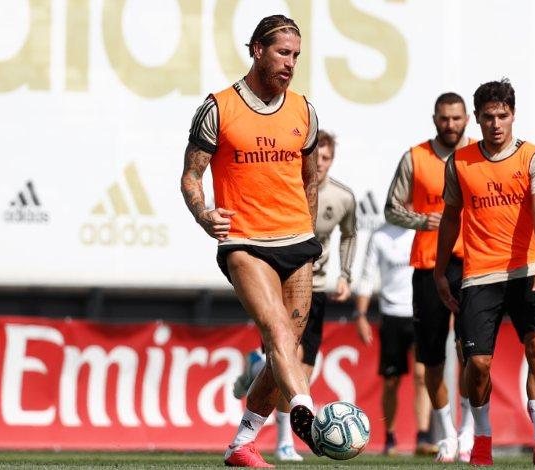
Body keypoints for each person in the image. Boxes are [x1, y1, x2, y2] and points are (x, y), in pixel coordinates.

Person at [180, 14, 326, 467]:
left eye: (297, 55)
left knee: (289, 351)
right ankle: (309, 416)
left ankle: (243, 442)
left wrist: (308, 228)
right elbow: (190, 176)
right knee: (278, 332)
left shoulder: (303, 109)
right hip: (245, 241)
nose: (290, 63)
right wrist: (205, 215)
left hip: (297, 241)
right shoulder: (219, 108)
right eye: (283, 52)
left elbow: (310, 180)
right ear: (257, 50)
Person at [435, 79, 535, 466]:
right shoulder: (459, 162)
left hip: (530, 270)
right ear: (476, 118)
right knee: (477, 365)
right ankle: (482, 436)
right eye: (489, 116)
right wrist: (441, 272)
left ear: (513, 116)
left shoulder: (534, 157)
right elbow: (449, 218)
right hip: (480, 275)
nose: (496, 123)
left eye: (503, 116)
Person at [230, 130, 357, 462]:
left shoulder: (343, 197)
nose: (321, 163)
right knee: (286, 353)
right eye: (318, 156)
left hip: (315, 287)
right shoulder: (288, 192)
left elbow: (349, 236)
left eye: (327, 157)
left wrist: (345, 274)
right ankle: (285, 441)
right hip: (279, 281)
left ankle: (258, 366)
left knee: (301, 370)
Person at [384, 92, 476, 462]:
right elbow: (392, 208)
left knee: (473, 356)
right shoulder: (415, 157)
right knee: (432, 357)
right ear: (434, 118)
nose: (450, 124)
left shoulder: (479, 155)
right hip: (427, 264)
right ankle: (446, 434)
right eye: (444, 118)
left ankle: (469, 431)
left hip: (472, 265)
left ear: (466, 118)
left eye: (456, 118)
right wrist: (423, 220)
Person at [352, 222, 432, 456]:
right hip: (391, 315)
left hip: (420, 312)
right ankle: (390, 438)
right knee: (391, 380)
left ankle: (423, 437)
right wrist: (361, 315)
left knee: (422, 375)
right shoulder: (380, 236)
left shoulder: (424, 230)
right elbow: (366, 277)